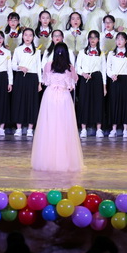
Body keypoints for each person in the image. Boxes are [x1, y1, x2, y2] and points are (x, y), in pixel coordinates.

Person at [31, 42, 83, 172]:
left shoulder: (48, 65)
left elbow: (46, 81)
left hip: (50, 96)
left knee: (49, 125)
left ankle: (47, 159)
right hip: (64, 97)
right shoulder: (70, 68)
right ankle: (64, 159)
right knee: (64, 126)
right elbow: (74, 82)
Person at [104, 32, 127, 138]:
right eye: (117, 39)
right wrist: (111, 75)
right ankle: (114, 129)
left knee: (125, 104)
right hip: (115, 80)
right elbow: (108, 68)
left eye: (122, 39)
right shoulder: (111, 54)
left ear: (126, 41)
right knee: (114, 104)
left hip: (126, 80)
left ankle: (125, 129)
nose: (119, 41)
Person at [11, 28, 42, 138]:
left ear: (33, 37)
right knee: (19, 102)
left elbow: (39, 67)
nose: (28, 37)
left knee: (31, 102)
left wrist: (40, 82)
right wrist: (20, 67)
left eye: (30, 35)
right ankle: (19, 128)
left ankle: (30, 129)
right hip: (20, 77)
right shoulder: (18, 50)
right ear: (22, 36)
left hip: (33, 78)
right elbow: (13, 65)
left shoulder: (37, 51)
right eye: (26, 35)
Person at [76, 30, 106, 138]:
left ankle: (99, 129)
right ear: (88, 39)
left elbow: (103, 70)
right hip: (85, 78)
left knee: (98, 103)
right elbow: (77, 67)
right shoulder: (82, 52)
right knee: (84, 102)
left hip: (97, 78)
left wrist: (104, 86)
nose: (93, 40)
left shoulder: (101, 53)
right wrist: (83, 74)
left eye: (95, 37)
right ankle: (83, 129)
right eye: (91, 37)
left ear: (98, 40)